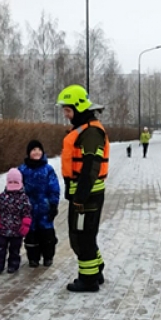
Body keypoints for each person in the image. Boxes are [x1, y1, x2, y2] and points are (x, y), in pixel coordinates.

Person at [56, 84, 109, 293]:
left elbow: (91, 166)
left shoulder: (92, 132)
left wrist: (81, 194)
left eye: (68, 110)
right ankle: (96, 270)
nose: (66, 115)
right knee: (85, 234)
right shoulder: (85, 129)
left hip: (88, 194)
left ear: (79, 108)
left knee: (81, 237)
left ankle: (88, 280)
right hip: (84, 192)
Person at [18, 140, 60, 268]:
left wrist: (53, 205)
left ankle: (48, 257)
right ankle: (33, 258)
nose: (36, 152)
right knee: (31, 236)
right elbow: (16, 188)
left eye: (39, 150)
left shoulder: (48, 169)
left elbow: (54, 188)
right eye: (33, 150)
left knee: (47, 234)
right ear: (29, 153)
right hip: (28, 208)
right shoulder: (22, 169)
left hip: (44, 207)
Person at [0, 168, 32, 274]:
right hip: (3, 228)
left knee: (15, 249)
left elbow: (27, 212)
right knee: (0, 248)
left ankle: (13, 264)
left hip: (17, 229)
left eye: (15, 182)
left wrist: (26, 224)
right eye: (10, 182)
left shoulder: (23, 198)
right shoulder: (2, 196)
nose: (13, 184)